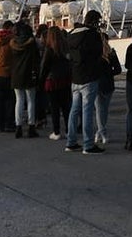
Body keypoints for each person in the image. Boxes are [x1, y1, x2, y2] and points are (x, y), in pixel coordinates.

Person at [66, 10, 106, 155]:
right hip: (89, 77)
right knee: (87, 111)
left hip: (75, 77)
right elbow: (98, 54)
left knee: (74, 110)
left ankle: (71, 141)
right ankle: (88, 144)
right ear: (94, 21)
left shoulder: (71, 34)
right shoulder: (92, 35)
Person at [9, 21, 41, 137]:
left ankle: (18, 126)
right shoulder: (32, 44)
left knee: (19, 100)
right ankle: (31, 126)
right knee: (31, 100)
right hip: (29, 74)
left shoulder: (13, 43)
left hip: (16, 74)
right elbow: (36, 60)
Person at [41, 25, 72, 140]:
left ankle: (56, 131)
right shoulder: (65, 48)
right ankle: (69, 130)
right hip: (65, 80)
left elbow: (44, 67)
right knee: (66, 107)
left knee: (54, 108)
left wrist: (41, 80)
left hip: (52, 81)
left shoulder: (49, 49)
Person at [94, 33, 120, 146]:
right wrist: (109, 73)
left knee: (99, 111)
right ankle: (100, 132)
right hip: (109, 84)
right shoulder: (111, 53)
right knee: (104, 110)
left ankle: (101, 133)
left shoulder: (94, 54)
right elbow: (118, 69)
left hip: (97, 84)